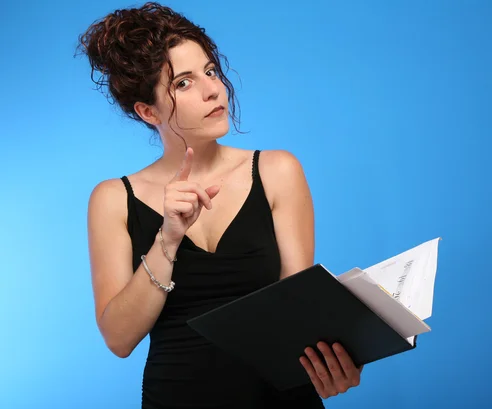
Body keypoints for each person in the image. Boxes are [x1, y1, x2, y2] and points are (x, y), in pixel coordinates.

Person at [79, 2, 363, 408]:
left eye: (211, 71)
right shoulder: (112, 199)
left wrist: (334, 364)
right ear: (147, 111)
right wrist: (167, 240)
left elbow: (299, 314)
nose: (213, 89)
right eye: (183, 83)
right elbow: (119, 339)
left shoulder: (277, 171)